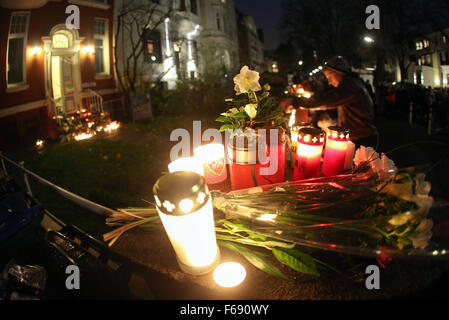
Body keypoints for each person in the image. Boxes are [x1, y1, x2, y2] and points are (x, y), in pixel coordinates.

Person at [292, 56, 379, 148]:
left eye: (329, 76)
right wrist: (332, 123)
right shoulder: (351, 83)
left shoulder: (349, 86)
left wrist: (296, 102)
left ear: (338, 72)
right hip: (360, 136)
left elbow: (325, 101)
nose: (329, 82)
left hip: (362, 138)